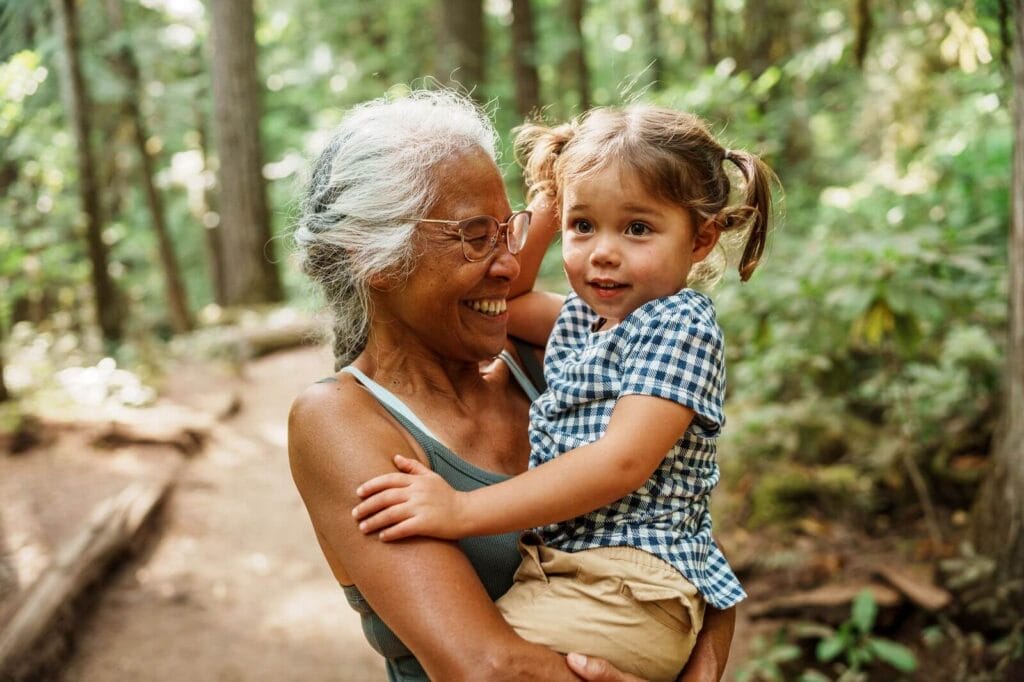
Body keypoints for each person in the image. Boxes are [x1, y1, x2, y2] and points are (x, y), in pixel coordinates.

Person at [289, 91, 737, 682]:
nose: (507, 261)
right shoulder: (339, 420)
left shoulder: (558, 354)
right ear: (376, 258)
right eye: (477, 235)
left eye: (512, 230)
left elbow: (681, 529)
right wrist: (562, 197)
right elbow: (486, 667)